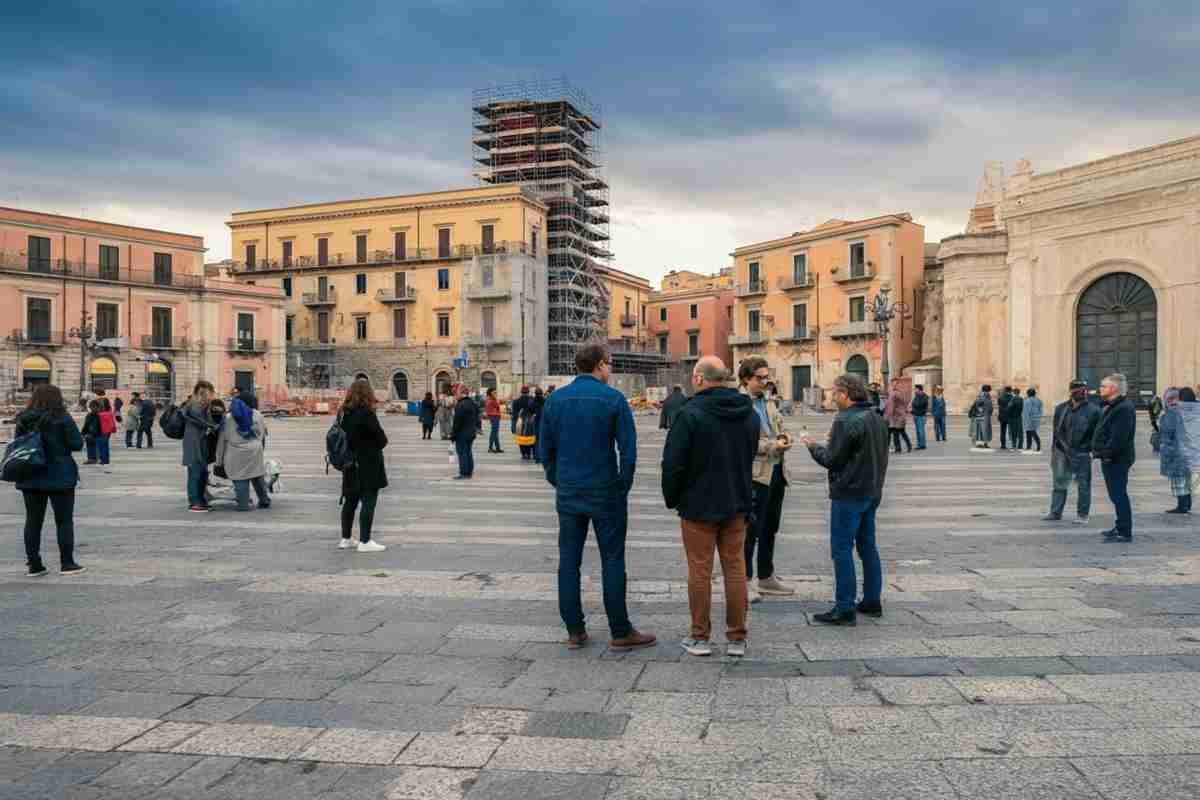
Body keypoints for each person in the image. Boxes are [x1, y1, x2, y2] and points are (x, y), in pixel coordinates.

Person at [540, 342, 655, 651]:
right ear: (601, 365)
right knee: (613, 559)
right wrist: (622, 486)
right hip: (606, 492)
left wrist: (559, 481)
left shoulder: (555, 400)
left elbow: (544, 452)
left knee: (569, 561)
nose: (611, 369)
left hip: (569, 492)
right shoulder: (614, 399)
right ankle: (620, 631)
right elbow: (628, 453)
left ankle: (575, 630)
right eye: (610, 364)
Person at [661, 356, 757, 658]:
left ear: (701, 379)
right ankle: (737, 638)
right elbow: (749, 454)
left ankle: (700, 638)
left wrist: (673, 497)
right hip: (737, 501)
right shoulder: (749, 413)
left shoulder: (689, 414)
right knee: (735, 569)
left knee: (699, 570)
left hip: (698, 505)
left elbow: (673, 464)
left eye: (694, 376)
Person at [801, 374, 889, 626]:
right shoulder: (875, 417)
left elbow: (831, 460)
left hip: (849, 493)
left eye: (834, 393)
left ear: (845, 394)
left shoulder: (844, 419)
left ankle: (844, 606)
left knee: (841, 549)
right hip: (872, 491)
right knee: (867, 547)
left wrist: (812, 445)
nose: (832, 398)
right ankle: (872, 601)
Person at [13, 385, 86, 576]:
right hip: (60, 475)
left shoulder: (23, 418)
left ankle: (34, 565)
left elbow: (19, 444)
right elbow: (76, 444)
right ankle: (67, 563)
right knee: (64, 521)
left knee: (32, 520)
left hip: (31, 473)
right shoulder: (62, 417)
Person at [739, 356, 794, 601]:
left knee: (771, 526)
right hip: (755, 475)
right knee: (750, 530)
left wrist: (785, 437)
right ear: (745, 379)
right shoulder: (739, 405)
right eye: (759, 378)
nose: (765, 381)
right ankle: (744, 580)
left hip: (777, 472)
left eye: (766, 376)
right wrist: (773, 445)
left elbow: (779, 426)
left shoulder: (769, 402)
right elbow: (743, 441)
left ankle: (766, 576)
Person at [338, 378, 388, 552]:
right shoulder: (366, 414)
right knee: (368, 500)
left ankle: (345, 538)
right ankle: (365, 541)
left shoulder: (344, 413)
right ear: (368, 394)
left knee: (350, 501)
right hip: (368, 463)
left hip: (349, 462)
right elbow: (382, 440)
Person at [1043, 380, 1100, 525]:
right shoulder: (1061, 408)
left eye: (1083, 390)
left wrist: (1092, 450)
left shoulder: (1093, 410)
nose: (1082, 392)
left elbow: (1097, 433)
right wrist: (1054, 450)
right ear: (1071, 391)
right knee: (1059, 482)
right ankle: (1055, 512)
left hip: (1082, 452)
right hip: (1061, 451)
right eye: (1078, 390)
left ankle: (1082, 514)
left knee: (1083, 485)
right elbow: (1056, 431)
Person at [1093, 373, 1137, 542]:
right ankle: (1120, 525)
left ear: (1113, 388)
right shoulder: (1113, 405)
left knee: (1119, 495)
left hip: (1116, 459)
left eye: (1103, 386)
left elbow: (1118, 438)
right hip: (1111, 458)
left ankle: (1125, 531)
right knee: (1115, 495)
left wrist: (1106, 454)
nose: (1100, 389)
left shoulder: (1123, 408)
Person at [215, 392, 271, 512]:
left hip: (235, 453)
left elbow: (221, 441)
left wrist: (218, 461)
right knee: (257, 475)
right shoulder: (257, 415)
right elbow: (262, 434)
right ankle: (264, 500)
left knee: (240, 478)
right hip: (255, 450)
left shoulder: (228, 418)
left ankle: (243, 505)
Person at [182, 380, 219, 512]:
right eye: (210, 392)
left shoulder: (202, 405)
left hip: (200, 442)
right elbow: (202, 420)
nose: (211, 396)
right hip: (193, 442)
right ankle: (194, 502)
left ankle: (201, 499)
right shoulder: (194, 404)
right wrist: (214, 425)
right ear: (202, 392)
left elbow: (207, 421)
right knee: (195, 472)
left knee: (202, 472)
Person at [450, 384, 480, 479]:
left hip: (461, 433)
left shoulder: (460, 405)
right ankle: (469, 472)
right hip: (471, 432)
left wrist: (453, 435)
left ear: (460, 393)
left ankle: (463, 473)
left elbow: (457, 422)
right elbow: (477, 418)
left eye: (455, 394)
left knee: (462, 453)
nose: (455, 396)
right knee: (468, 452)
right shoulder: (472, 403)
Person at [884, 379, 912, 454]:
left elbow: (891, 406)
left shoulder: (893, 394)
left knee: (891, 433)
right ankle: (906, 446)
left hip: (894, 417)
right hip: (900, 416)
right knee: (900, 432)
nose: (892, 385)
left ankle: (894, 448)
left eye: (893, 384)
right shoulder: (902, 393)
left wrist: (887, 417)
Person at [969, 385, 994, 449]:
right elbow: (979, 404)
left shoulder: (982, 395)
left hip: (981, 415)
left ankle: (981, 443)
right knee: (983, 430)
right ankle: (983, 443)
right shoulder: (984, 396)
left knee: (980, 430)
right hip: (983, 415)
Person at [1022, 387, 1044, 453]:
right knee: (1030, 432)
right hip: (1036, 418)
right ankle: (1029, 446)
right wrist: (1039, 417)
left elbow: (1026, 411)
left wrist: (1024, 419)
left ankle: (1038, 445)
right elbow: (1041, 410)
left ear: (1028, 393)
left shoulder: (1027, 401)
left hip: (1029, 419)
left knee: (1031, 432)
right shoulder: (1039, 400)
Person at [910, 384, 930, 450]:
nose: (914, 390)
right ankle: (919, 444)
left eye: (915, 389)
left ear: (919, 389)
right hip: (916, 415)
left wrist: (912, 409)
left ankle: (922, 445)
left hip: (921, 416)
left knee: (921, 431)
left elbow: (919, 405)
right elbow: (914, 404)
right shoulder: (917, 396)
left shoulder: (923, 396)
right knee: (918, 431)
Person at [82, 400, 102, 465]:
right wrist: (83, 433)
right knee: (90, 446)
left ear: (98, 407)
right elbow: (86, 425)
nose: (93, 408)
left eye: (95, 407)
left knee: (97, 446)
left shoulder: (100, 415)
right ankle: (91, 459)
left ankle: (97, 459)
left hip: (99, 434)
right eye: (92, 407)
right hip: (90, 434)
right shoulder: (89, 415)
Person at [485, 387, 504, 454]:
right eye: (494, 392)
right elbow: (496, 406)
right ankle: (490, 448)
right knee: (493, 433)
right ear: (490, 393)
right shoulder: (491, 399)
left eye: (496, 392)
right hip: (494, 416)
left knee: (495, 433)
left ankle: (497, 447)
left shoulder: (491, 399)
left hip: (495, 416)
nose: (496, 393)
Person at [531, 387, 546, 464]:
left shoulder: (533, 401)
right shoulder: (545, 401)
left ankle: (537, 457)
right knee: (543, 440)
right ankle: (542, 457)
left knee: (536, 440)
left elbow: (530, 410)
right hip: (543, 422)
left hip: (536, 422)